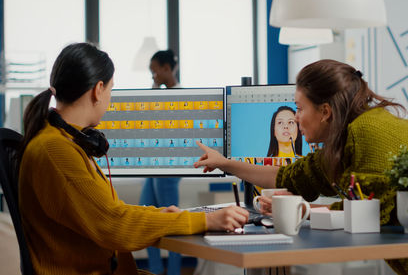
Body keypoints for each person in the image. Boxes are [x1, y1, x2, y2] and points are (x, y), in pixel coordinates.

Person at [194, 59, 408, 275]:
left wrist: (303, 210)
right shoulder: (345, 137)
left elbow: (372, 209)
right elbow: (287, 175)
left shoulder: (368, 132)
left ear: (325, 111)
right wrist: (224, 163)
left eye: (300, 109)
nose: (296, 118)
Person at [18, 43, 248, 275]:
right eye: (111, 89)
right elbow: (114, 224)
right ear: (98, 90)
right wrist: (205, 220)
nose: (110, 97)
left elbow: (110, 211)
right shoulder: (56, 151)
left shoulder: (63, 142)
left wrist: (161, 215)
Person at [140, 49, 183, 275]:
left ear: (167, 69)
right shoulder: (158, 94)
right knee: (146, 219)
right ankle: (155, 271)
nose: (153, 76)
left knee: (172, 224)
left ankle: (174, 272)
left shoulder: (181, 96)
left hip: (170, 166)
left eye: (155, 71)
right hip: (153, 165)